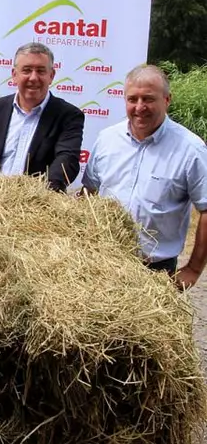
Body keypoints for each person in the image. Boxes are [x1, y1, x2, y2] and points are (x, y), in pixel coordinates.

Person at [81, 64, 207, 288]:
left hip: (156, 274)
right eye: (132, 99)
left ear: (167, 100)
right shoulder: (107, 140)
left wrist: (194, 269)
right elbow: (88, 194)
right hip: (103, 266)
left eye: (148, 99)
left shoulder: (191, 149)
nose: (140, 107)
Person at [0, 42, 83, 192]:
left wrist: (40, 196)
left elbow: (67, 161)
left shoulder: (68, 116)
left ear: (51, 76)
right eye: (26, 70)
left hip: (37, 207)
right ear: (14, 75)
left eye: (41, 71)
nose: (33, 77)